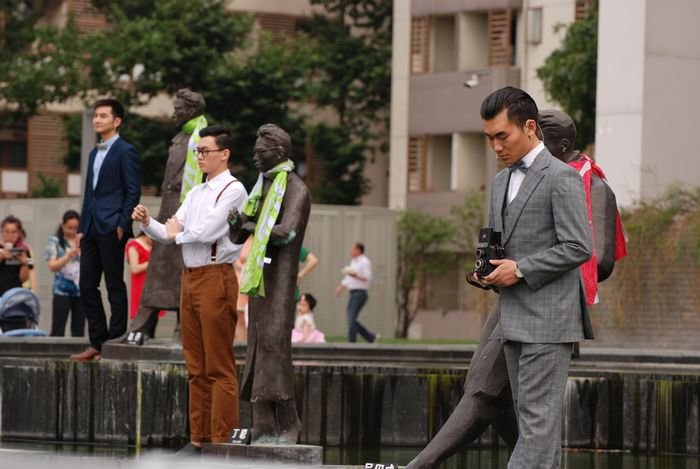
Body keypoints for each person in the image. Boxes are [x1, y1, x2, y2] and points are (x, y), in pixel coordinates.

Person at [406, 108, 627, 469]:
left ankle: (421, 465)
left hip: (548, 307)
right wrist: (491, 269)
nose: (527, 146)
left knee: (488, 394)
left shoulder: (583, 183)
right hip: (511, 304)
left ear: (560, 144)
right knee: (501, 399)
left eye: (539, 139)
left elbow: (594, 258)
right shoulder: (509, 181)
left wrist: (524, 267)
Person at [475, 87, 593, 468]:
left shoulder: (562, 177)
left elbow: (579, 246)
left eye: (502, 136)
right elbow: (503, 246)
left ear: (529, 127)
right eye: (489, 138)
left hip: (549, 322)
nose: (496, 147)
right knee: (535, 429)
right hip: (512, 320)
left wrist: (521, 269)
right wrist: (488, 271)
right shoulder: (499, 182)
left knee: (536, 429)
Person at [132, 124, 246, 453]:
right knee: (195, 365)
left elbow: (207, 231)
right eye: (197, 151)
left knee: (218, 364)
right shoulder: (196, 192)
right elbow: (168, 233)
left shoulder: (234, 189)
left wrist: (178, 232)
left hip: (216, 275)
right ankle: (198, 439)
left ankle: (221, 440)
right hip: (191, 276)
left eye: (205, 151)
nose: (199, 157)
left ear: (224, 154)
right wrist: (147, 222)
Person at [228, 123, 311, 444]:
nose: (255, 158)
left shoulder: (295, 189)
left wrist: (249, 225)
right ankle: (262, 423)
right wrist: (238, 223)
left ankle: (289, 423)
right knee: (256, 349)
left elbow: (286, 232)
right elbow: (239, 236)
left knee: (274, 348)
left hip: (280, 282)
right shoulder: (261, 186)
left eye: (260, 152)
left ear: (278, 152)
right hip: (259, 280)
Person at [124, 89, 207, 343]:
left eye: (179, 109)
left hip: (190, 210)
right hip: (169, 207)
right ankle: (144, 324)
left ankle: (183, 327)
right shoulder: (180, 138)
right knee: (160, 268)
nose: (174, 114)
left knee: (184, 265)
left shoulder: (203, 139)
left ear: (191, 110)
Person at [70, 98, 141, 362]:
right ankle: (97, 342)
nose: (97, 120)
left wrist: (123, 224)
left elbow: (132, 190)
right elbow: (89, 194)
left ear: (117, 121)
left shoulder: (126, 151)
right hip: (90, 228)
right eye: (95, 116)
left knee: (114, 285)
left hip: (112, 227)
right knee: (86, 284)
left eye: (103, 116)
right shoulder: (93, 153)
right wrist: (81, 227)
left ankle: (115, 340)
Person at [44, 210, 85, 337]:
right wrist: (68, 255)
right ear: (62, 226)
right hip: (62, 290)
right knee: (58, 328)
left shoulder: (83, 240)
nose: (72, 231)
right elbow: (52, 266)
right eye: (69, 228)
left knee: (79, 329)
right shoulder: (55, 241)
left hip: (81, 290)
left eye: (75, 228)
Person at [335, 242, 377, 343]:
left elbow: (367, 278)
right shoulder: (353, 262)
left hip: (360, 293)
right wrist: (340, 287)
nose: (351, 251)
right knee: (351, 320)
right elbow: (348, 278)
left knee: (351, 319)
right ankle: (370, 337)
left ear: (358, 250)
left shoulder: (365, 262)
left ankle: (352, 342)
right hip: (352, 293)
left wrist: (355, 276)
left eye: (352, 249)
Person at [125, 232, 164, 339]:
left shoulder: (153, 245)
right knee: (143, 316)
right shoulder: (134, 245)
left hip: (154, 285)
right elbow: (134, 268)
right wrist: (152, 262)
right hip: (141, 285)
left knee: (153, 316)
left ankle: (150, 338)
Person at [0, 215, 33, 296]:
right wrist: (1, 257)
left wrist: (24, 263)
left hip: (15, 295)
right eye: (6, 232)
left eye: (14, 232)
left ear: (19, 233)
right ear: (2, 232)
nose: (10, 235)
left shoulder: (24, 250)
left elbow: (23, 279)